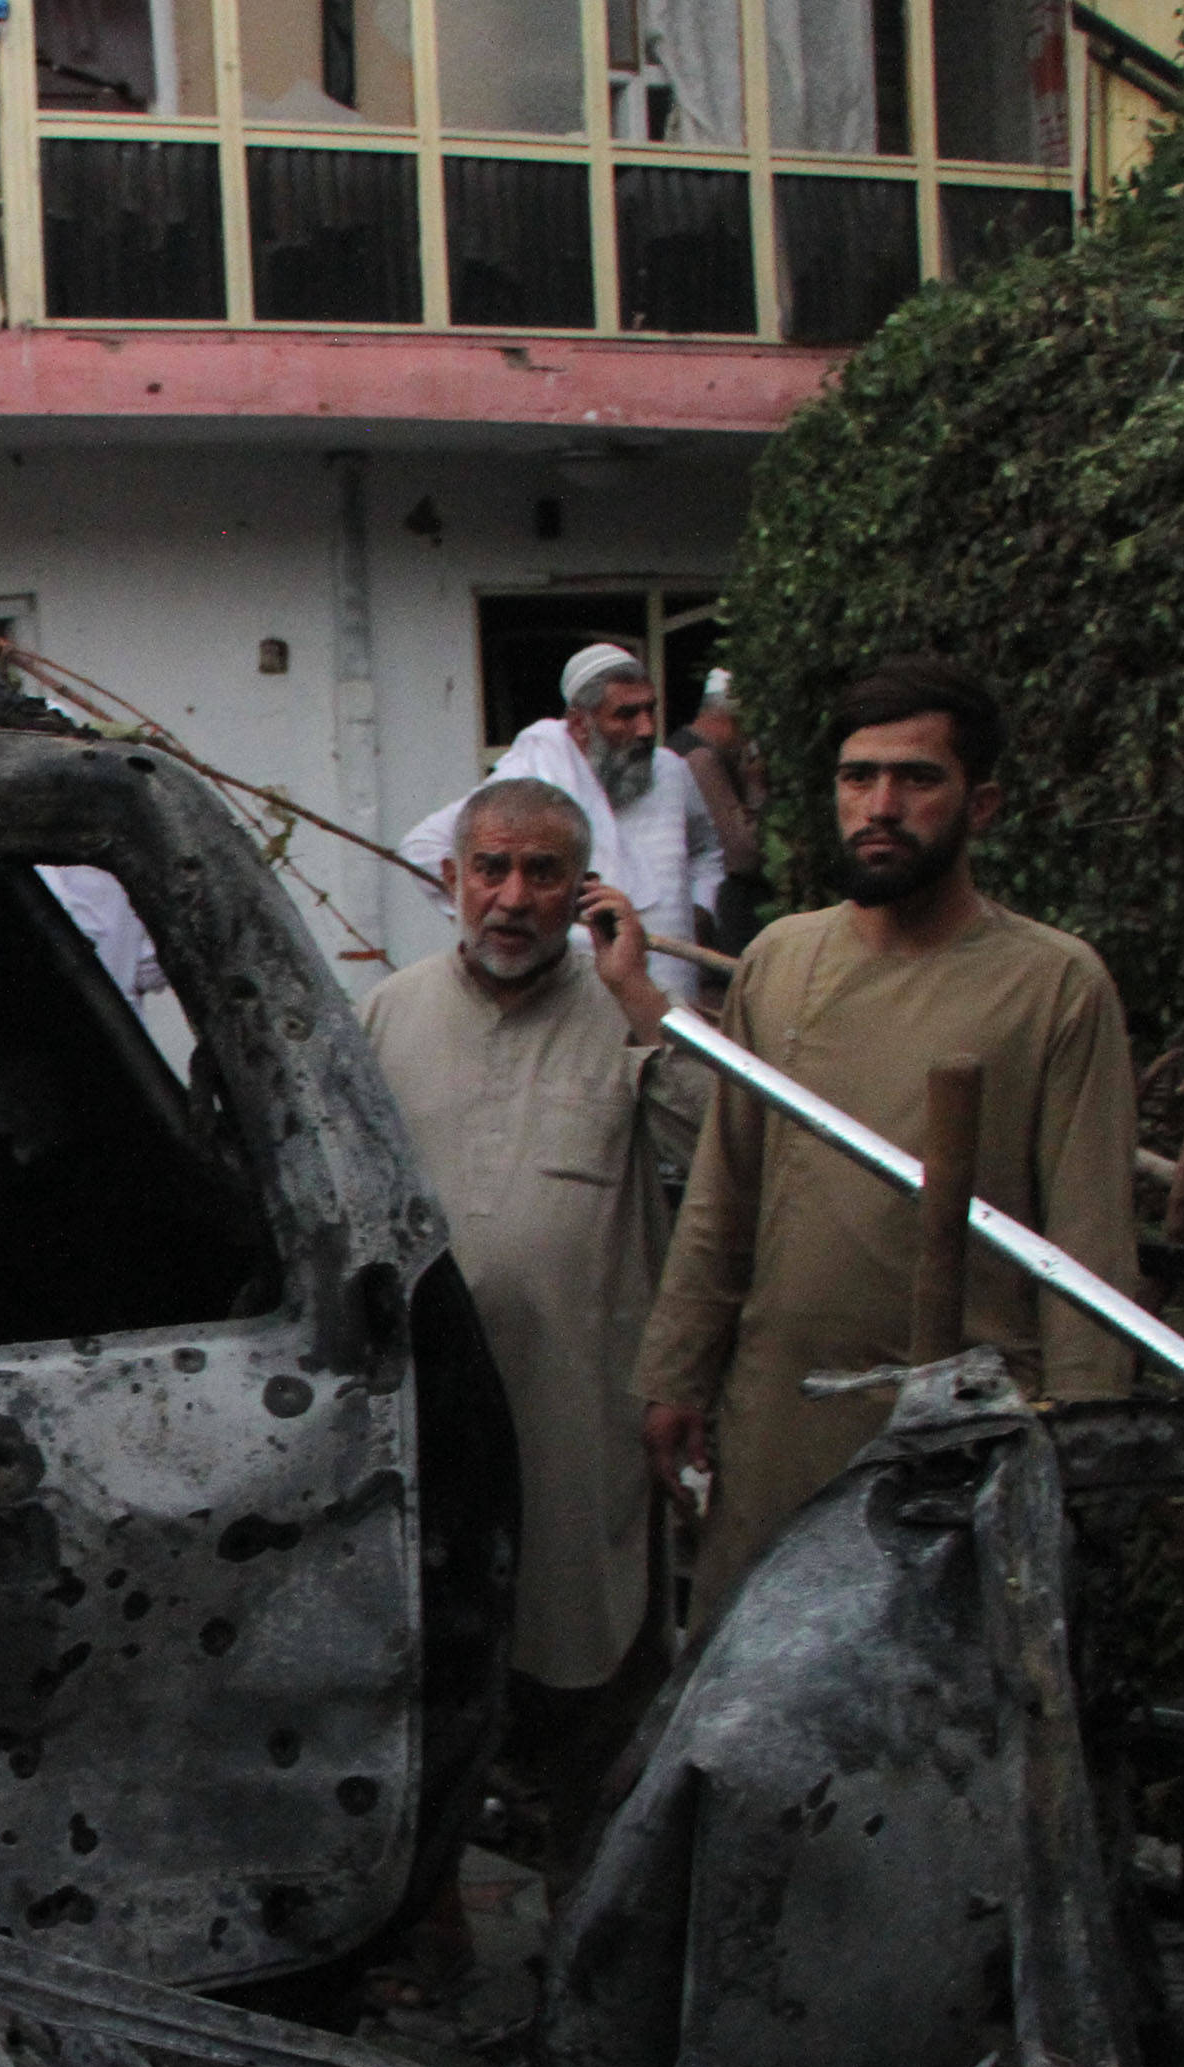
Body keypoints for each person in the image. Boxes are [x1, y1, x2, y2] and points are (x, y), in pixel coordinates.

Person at [633, 656, 1140, 1633]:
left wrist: (1083, 1453)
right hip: (780, 1417)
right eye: (856, 777)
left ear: (979, 803)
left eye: (915, 779)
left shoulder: (1053, 988)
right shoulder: (782, 960)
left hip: (958, 1435)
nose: (878, 805)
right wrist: (676, 1372)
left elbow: (1086, 1247)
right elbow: (723, 1188)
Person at [358, 776, 711, 1832]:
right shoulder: (384, 1016)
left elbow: (724, 1149)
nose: (512, 897)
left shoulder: (630, 1018)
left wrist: (644, 997)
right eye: (491, 870)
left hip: (581, 1423)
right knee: (424, 1672)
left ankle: (582, 1932)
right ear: (451, 881)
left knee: (586, 1691)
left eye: (542, 873)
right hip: (421, 1428)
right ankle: (436, 1930)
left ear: (583, 890)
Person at [402, 643, 723, 1009]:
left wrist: (702, 908)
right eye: (626, 715)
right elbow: (422, 849)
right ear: (579, 724)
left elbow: (706, 850)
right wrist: (500, 923)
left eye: (650, 710)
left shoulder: (672, 773)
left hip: (673, 978)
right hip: (576, 991)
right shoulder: (533, 774)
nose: (647, 729)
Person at [677, 666, 769, 953]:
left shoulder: (679, 749)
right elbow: (743, 854)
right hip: (721, 926)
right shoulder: (702, 760)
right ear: (731, 720)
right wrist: (754, 787)